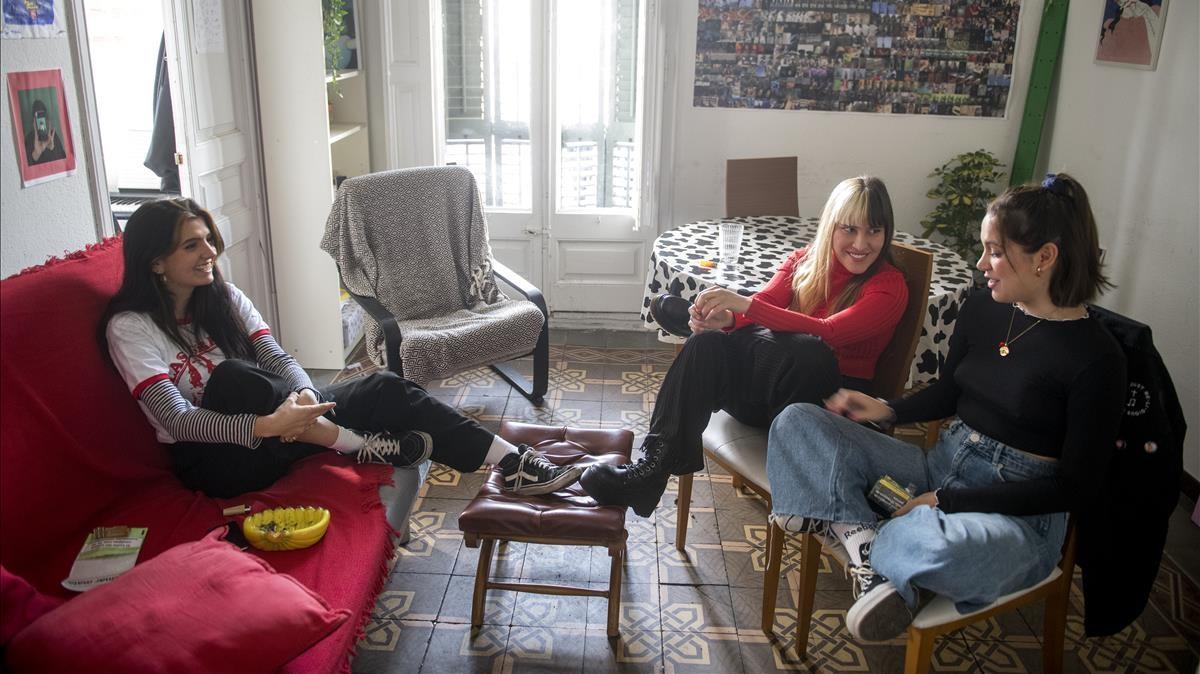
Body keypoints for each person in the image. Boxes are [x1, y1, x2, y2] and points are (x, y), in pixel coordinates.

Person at [765, 173, 1126, 642]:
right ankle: (871, 542)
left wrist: (946, 502)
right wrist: (885, 410)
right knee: (797, 420)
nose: (982, 263)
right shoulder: (984, 308)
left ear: (1045, 257)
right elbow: (949, 395)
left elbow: (1073, 489)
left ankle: (853, 522)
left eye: (994, 251)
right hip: (938, 467)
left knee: (944, 546)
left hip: (1015, 516)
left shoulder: (1098, 359)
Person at [100, 198, 582, 499]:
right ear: (156, 261)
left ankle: (513, 462)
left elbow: (277, 358)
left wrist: (305, 399)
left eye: (208, 241)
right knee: (232, 378)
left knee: (385, 387)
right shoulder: (131, 327)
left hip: (286, 430)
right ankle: (354, 445)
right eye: (192, 246)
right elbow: (176, 420)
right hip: (220, 460)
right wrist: (273, 424)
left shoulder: (224, 298)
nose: (210, 253)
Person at [581, 176, 909, 517]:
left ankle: (693, 327)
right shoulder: (805, 261)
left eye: (874, 230)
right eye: (849, 229)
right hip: (768, 394)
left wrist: (742, 308)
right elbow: (765, 301)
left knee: (811, 350)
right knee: (709, 343)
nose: (861, 243)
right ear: (831, 228)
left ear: (887, 234)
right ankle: (649, 472)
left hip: (824, 412)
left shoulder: (890, 287)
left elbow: (829, 332)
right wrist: (726, 319)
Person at [24, 99, 66, 165]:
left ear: (46, 117)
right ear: (34, 120)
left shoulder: (53, 135)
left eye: (43, 116)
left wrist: (53, 149)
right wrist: (36, 154)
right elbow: (25, 167)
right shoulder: (28, 139)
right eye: (38, 117)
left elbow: (64, 160)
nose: (41, 121)